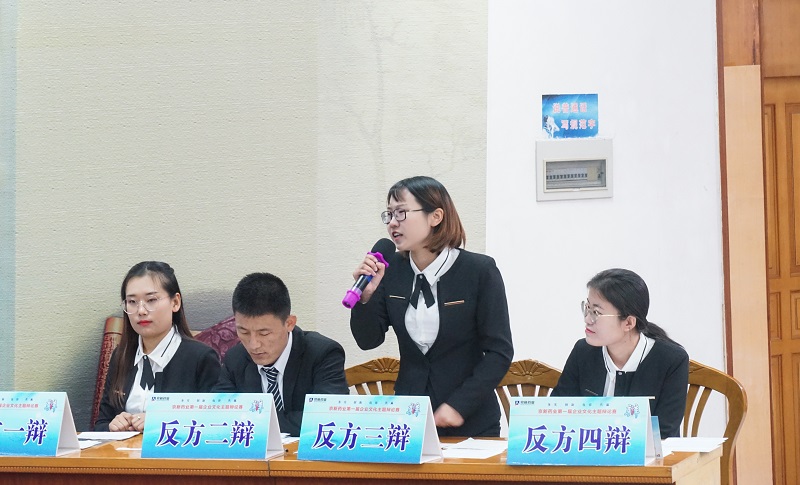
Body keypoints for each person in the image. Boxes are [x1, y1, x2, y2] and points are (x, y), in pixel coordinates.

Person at [350, 175, 514, 437]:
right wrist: (365, 298)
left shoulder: (478, 271)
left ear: (435, 216)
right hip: (410, 418)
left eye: (401, 213)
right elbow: (368, 340)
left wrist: (459, 405)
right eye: (389, 214)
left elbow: (499, 351)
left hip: (470, 419)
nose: (392, 223)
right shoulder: (390, 271)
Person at [551, 268, 689, 439]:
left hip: (646, 455)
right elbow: (558, 413)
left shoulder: (671, 360)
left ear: (629, 323)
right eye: (587, 308)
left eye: (596, 313)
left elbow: (664, 432)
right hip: (588, 452)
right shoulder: (583, 351)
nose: (587, 319)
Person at [214, 272, 349, 436]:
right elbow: (220, 415)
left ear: (289, 323)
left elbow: (327, 418)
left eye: (264, 333)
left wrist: (254, 420)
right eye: (244, 332)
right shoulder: (235, 359)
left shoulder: (323, 354)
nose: (253, 344)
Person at [95, 261, 221, 432]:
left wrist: (161, 422)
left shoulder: (201, 358)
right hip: (123, 450)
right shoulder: (122, 355)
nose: (141, 310)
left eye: (151, 300)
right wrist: (112, 427)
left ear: (175, 302)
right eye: (132, 301)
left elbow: (215, 425)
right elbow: (101, 424)